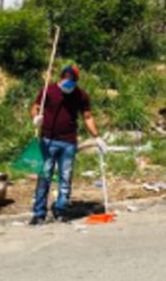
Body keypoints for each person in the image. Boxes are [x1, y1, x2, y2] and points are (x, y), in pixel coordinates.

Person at [28, 65, 100, 225]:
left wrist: (97, 137)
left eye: (73, 81)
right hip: (48, 140)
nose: (69, 84)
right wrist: (35, 118)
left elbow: (87, 116)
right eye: (67, 80)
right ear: (61, 78)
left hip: (69, 143)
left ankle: (61, 211)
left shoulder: (80, 95)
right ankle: (39, 213)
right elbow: (35, 108)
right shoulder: (49, 90)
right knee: (44, 178)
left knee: (65, 179)